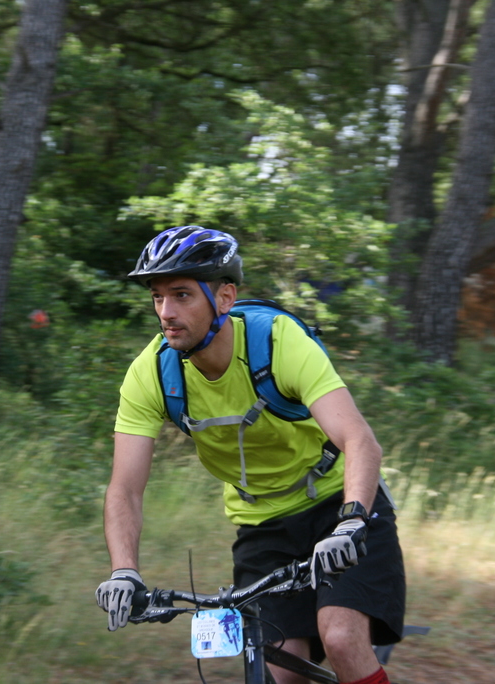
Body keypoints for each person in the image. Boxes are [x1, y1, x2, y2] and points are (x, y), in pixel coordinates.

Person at [95, 226, 406, 684]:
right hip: (263, 524)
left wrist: (352, 521)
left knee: (341, 637)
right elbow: (125, 488)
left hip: (340, 505)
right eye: (157, 297)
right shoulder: (152, 374)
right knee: (278, 669)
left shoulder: (277, 342)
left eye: (182, 295)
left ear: (225, 298)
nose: (166, 312)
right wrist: (124, 571)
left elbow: (359, 440)